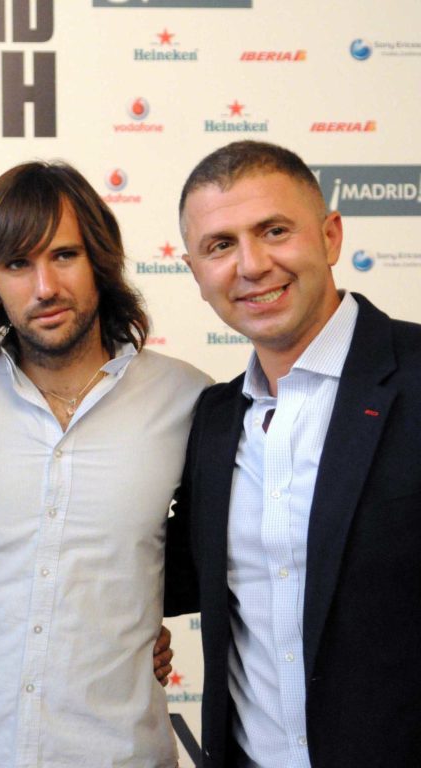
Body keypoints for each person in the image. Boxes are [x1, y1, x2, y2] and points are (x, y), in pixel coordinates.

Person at [0, 161, 210, 767]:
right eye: (17, 264)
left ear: (99, 262)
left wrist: (140, 618)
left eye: (64, 256)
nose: (45, 287)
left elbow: (212, 557)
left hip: (119, 752)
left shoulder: (186, 399)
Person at [168, 140, 421, 766]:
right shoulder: (211, 421)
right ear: (195, 272)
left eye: (274, 231)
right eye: (220, 246)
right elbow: (148, 569)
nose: (252, 265)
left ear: (330, 236)